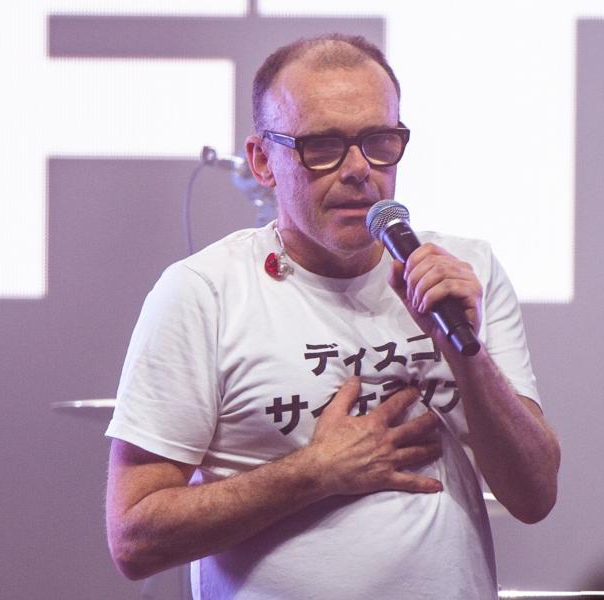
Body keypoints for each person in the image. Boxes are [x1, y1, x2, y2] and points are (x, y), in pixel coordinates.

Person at [105, 33, 560, 599]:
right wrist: (314, 474)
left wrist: (465, 354)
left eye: (379, 141)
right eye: (321, 145)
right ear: (262, 161)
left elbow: (535, 494)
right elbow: (135, 539)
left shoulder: (463, 273)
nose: (357, 169)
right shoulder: (203, 292)